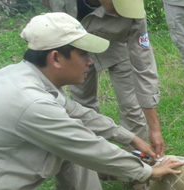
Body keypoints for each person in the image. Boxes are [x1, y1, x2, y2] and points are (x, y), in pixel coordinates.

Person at [0, 13, 184, 190]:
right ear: (56, 58)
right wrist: (147, 171)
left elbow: (80, 115)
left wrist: (130, 137)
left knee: (74, 133)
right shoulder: (32, 103)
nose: (90, 62)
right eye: (83, 54)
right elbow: (87, 146)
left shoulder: (23, 77)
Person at [44, 0, 166, 158]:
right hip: (73, 47)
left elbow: (144, 67)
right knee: (82, 104)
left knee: (131, 106)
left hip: (116, 45)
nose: (120, 11)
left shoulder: (134, 12)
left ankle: (137, 163)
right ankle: (93, 161)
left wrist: (155, 129)